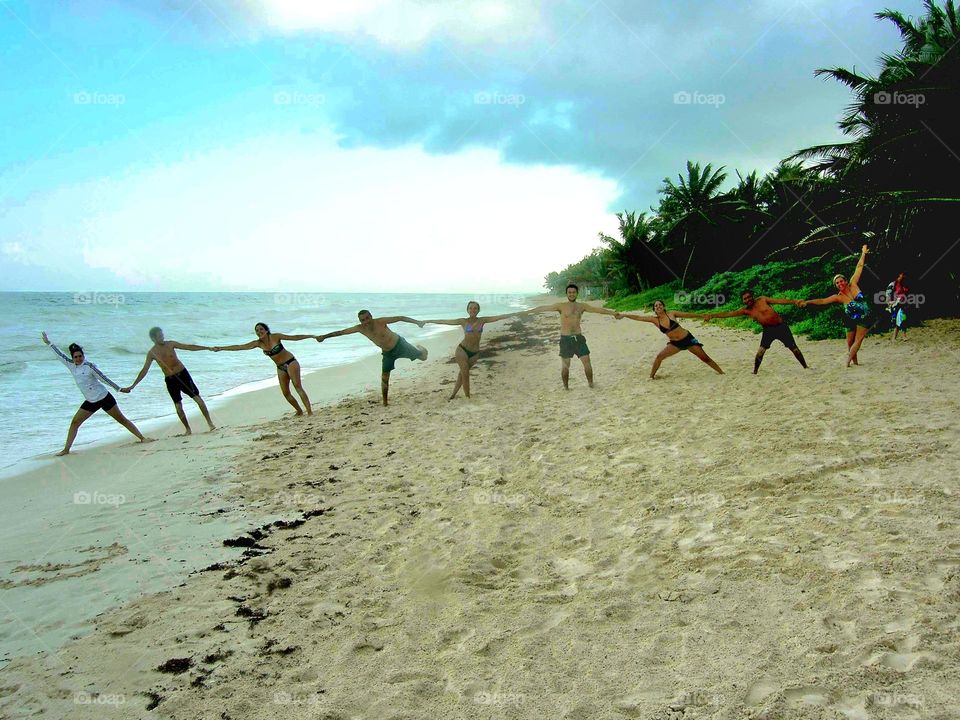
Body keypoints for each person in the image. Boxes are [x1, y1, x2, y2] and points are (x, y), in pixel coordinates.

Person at [41, 331, 154, 456]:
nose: (78, 359)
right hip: (90, 401)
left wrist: (119, 389)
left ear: (83, 355)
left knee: (122, 419)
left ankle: (142, 438)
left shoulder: (89, 366)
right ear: (72, 358)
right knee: (75, 423)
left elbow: (103, 378)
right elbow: (59, 355)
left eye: (80, 356)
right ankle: (66, 449)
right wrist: (48, 343)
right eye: (76, 357)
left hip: (104, 398)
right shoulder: (71, 365)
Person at [421, 301, 529, 399]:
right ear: (467, 310)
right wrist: (428, 320)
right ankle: (468, 397)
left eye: (475, 308)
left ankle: (453, 395)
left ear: (478, 310)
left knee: (462, 374)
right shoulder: (462, 321)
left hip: (475, 353)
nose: (473, 310)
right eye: (470, 308)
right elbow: (444, 321)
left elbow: (499, 317)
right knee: (465, 373)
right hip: (462, 350)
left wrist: (516, 313)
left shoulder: (482, 320)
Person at [316, 311, 426, 406]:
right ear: (360, 321)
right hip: (388, 353)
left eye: (367, 318)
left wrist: (417, 322)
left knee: (423, 357)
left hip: (400, 345)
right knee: (384, 376)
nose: (366, 321)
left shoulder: (381, 321)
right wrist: (324, 337)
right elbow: (341, 332)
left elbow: (400, 318)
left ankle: (421, 350)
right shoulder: (360, 328)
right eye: (363, 320)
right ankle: (385, 402)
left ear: (371, 316)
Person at [121, 327, 216, 435]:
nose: (162, 337)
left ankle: (210, 423)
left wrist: (207, 348)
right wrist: (133, 385)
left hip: (183, 375)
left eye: (162, 335)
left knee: (197, 399)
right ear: (153, 338)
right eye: (159, 336)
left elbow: (189, 347)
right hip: (170, 380)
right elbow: (144, 370)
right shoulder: (152, 353)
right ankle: (188, 429)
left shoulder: (171, 344)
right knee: (178, 406)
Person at [526, 284, 622, 389]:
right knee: (565, 366)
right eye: (569, 292)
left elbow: (597, 310)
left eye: (573, 292)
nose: (571, 294)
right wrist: (529, 312)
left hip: (579, 338)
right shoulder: (561, 306)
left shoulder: (582, 306)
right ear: (566, 294)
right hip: (565, 339)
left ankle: (591, 384)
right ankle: (566, 387)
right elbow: (543, 308)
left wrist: (613, 313)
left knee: (587, 362)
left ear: (577, 293)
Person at [211, 323, 316, 415]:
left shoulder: (276, 336)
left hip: (291, 362)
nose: (259, 331)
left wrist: (311, 336)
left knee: (297, 386)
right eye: (257, 330)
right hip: (280, 367)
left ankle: (309, 412)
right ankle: (299, 411)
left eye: (261, 329)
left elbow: (294, 337)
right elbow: (240, 347)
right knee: (286, 393)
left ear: (266, 330)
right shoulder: (258, 343)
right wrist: (221, 348)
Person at [799, 244, 872, 366]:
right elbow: (822, 301)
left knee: (857, 341)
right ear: (836, 285)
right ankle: (855, 362)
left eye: (841, 281)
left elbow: (859, 267)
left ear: (845, 280)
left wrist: (863, 253)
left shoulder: (853, 284)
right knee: (849, 342)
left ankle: (847, 362)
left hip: (864, 317)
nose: (840, 283)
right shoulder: (838, 297)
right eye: (837, 283)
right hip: (849, 318)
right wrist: (807, 302)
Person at [704, 291, 808, 373]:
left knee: (794, 349)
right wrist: (712, 315)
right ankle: (755, 371)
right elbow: (728, 314)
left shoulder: (762, 299)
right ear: (743, 301)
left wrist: (794, 301)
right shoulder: (745, 311)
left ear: (752, 296)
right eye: (745, 298)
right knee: (760, 352)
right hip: (768, 330)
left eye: (749, 297)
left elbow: (779, 301)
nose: (748, 299)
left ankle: (805, 366)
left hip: (781, 327)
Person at [621, 300, 724, 378]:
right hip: (675, 344)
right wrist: (624, 315)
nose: (658, 306)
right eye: (656, 306)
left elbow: (687, 314)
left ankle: (721, 372)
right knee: (659, 357)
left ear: (664, 306)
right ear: (654, 309)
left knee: (705, 358)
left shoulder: (672, 314)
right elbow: (638, 317)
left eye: (660, 305)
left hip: (688, 339)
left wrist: (702, 316)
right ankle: (651, 377)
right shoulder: (654, 320)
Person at [886, 272, 909, 341]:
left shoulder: (903, 284)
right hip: (896, 305)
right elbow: (888, 294)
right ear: (898, 275)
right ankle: (895, 337)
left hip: (903, 304)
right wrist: (889, 303)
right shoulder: (892, 284)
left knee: (903, 319)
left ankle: (903, 336)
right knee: (898, 320)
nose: (904, 276)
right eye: (902, 274)